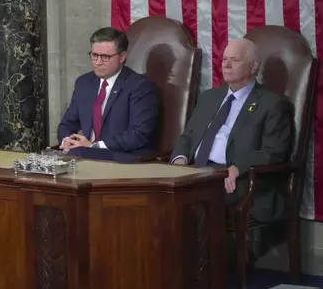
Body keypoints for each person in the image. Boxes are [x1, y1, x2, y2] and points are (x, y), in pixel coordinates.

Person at [170, 38, 293, 223]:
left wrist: (238, 167)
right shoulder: (209, 97)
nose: (226, 65)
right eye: (224, 59)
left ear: (253, 67)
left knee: (195, 201)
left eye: (235, 60)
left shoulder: (272, 104)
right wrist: (179, 160)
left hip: (232, 179)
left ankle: (204, 253)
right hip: (194, 172)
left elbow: (274, 151)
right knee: (158, 197)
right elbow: (189, 136)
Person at [57, 27, 159, 162]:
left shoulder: (140, 86)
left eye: (105, 57)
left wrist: (94, 146)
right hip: (84, 155)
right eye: (94, 55)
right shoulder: (84, 83)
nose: (98, 62)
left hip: (121, 158)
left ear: (122, 57)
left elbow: (138, 135)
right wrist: (68, 140)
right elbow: (67, 124)